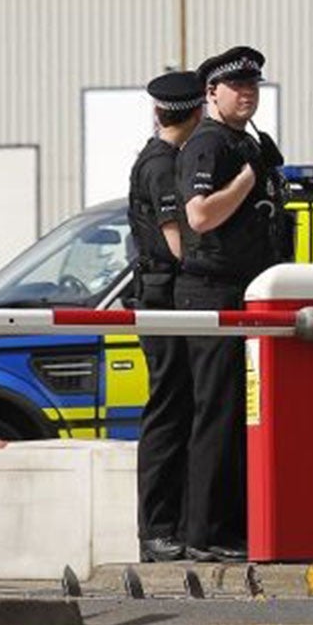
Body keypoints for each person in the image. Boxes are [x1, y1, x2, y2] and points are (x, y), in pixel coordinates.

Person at [173, 45, 288, 562]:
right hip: (213, 291)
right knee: (217, 414)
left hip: (251, 289)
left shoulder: (249, 142)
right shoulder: (209, 146)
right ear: (212, 94)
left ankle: (237, 525)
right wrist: (246, 178)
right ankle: (204, 533)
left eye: (253, 86)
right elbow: (199, 217)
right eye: (236, 86)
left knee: (248, 416)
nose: (247, 93)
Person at [126, 70, 202, 563]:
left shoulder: (156, 158)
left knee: (178, 411)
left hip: (162, 296)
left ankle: (170, 525)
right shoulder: (163, 166)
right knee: (169, 414)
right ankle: (157, 529)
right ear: (196, 114)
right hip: (163, 298)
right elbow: (178, 245)